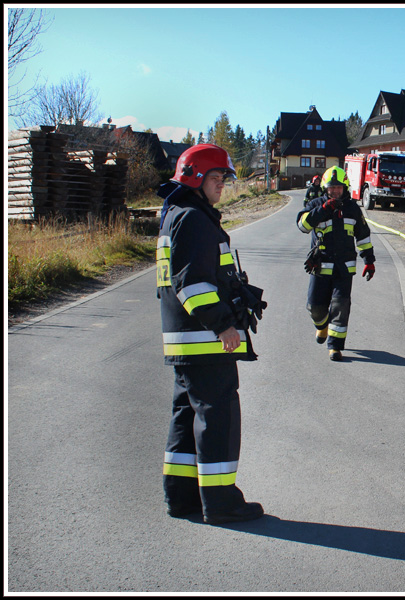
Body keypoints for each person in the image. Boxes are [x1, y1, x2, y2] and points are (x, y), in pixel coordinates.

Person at [156, 143, 266, 524]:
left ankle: (182, 498)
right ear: (195, 178)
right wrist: (223, 324)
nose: (222, 185)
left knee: (186, 417)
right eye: (216, 178)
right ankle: (221, 502)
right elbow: (192, 284)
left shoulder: (178, 215)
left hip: (185, 341)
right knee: (217, 417)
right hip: (204, 340)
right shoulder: (194, 220)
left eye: (224, 178)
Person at [297, 166, 375, 362]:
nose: (334, 191)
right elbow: (302, 226)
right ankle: (322, 327)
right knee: (315, 307)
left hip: (344, 267)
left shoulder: (352, 209)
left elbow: (363, 237)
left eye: (338, 187)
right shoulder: (316, 204)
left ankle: (335, 347)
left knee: (341, 306)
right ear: (325, 188)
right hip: (320, 266)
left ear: (345, 187)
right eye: (331, 188)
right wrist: (322, 210)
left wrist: (369, 261)